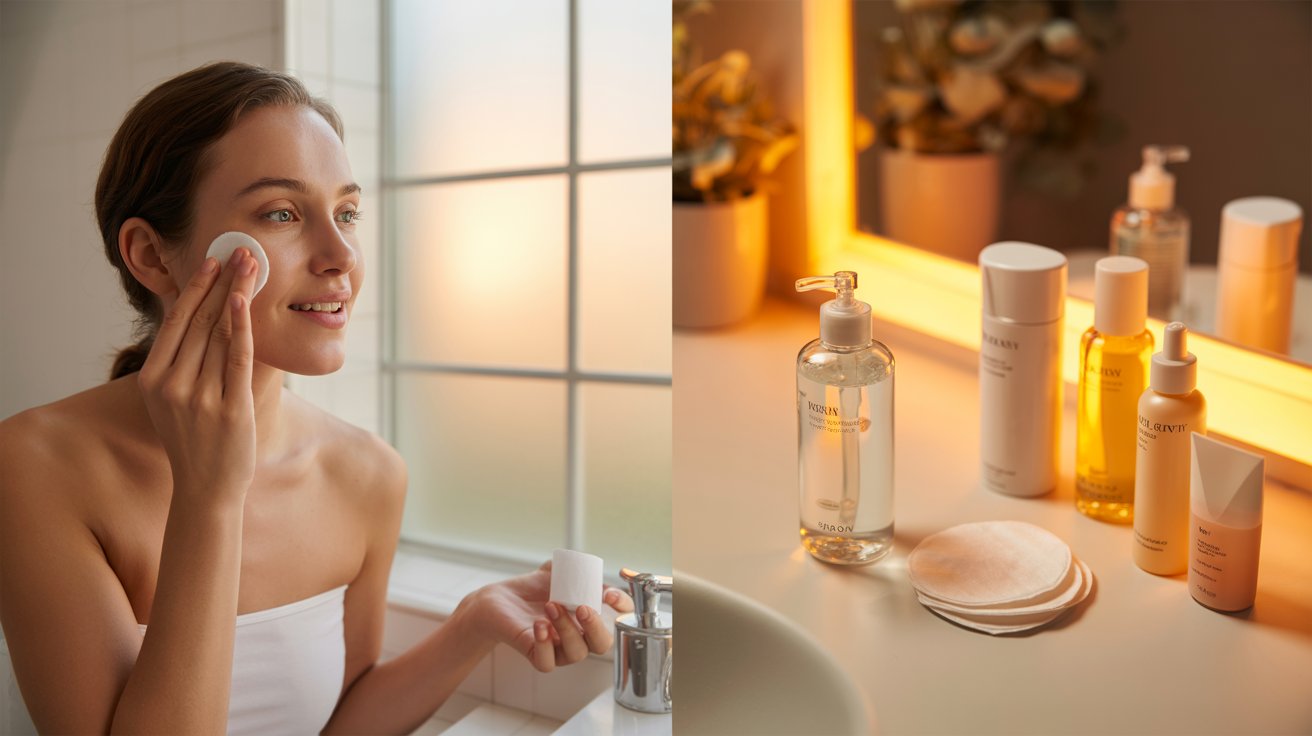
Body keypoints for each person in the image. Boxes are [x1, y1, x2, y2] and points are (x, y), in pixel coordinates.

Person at [0, 61, 630, 735]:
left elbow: (340, 723)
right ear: (152, 255)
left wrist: (474, 623)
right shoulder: (34, 469)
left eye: (348, 212)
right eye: (281, 213)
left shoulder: (368, 474)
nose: (341, 255)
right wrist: (210, 496)